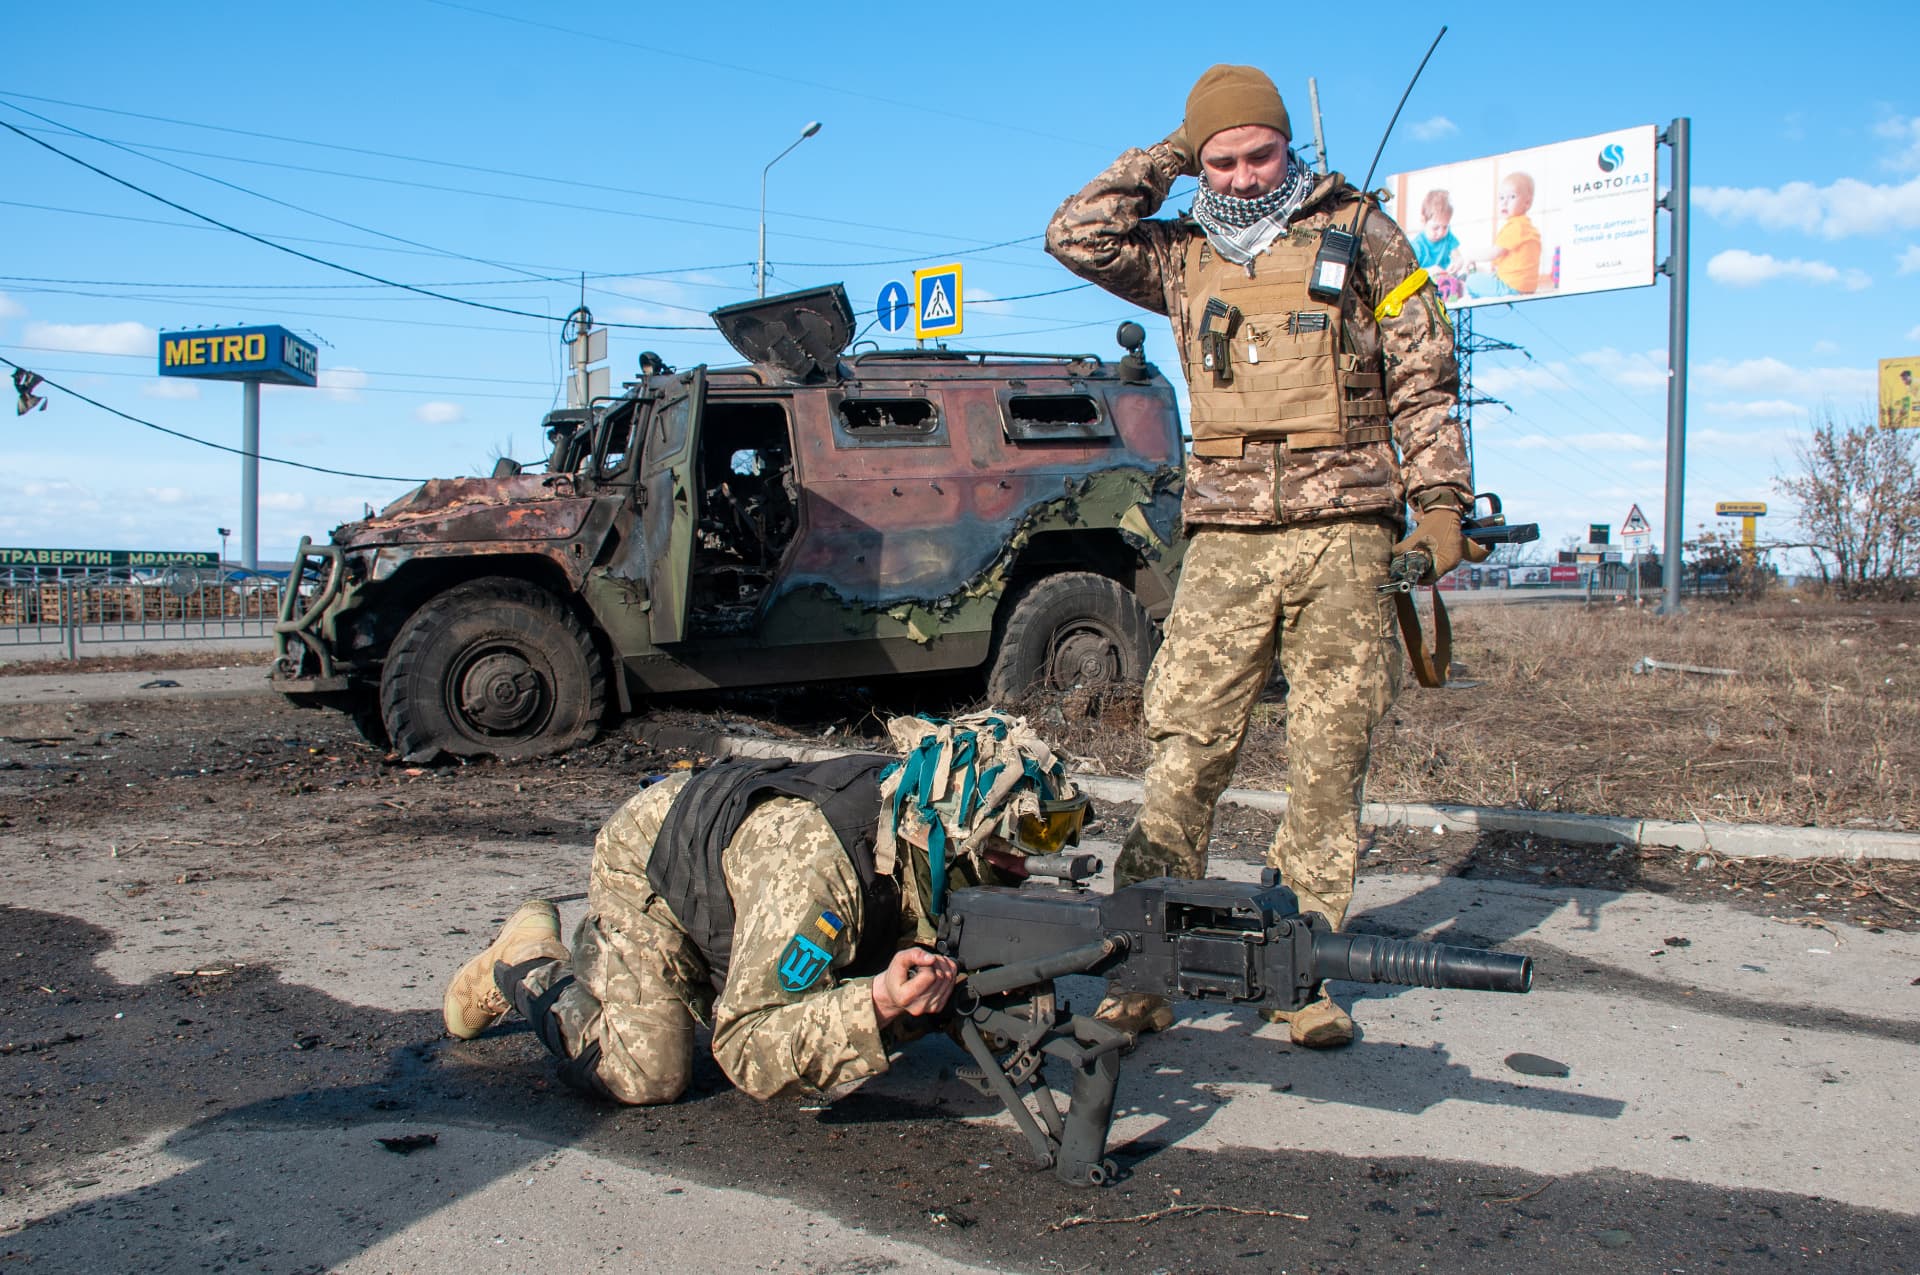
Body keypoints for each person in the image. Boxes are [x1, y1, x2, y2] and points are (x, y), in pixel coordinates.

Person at [1044, 64, 1470, 1048]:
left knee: (1329, 755)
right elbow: (1076, 234)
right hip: (1228, 534)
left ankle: (1303, 971)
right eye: (1219, 159)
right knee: (1185, 745)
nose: (1239, 175)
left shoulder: (1362, 232)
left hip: (1346, 529)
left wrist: (1441, 502)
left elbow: (1423, 375)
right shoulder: (1179, 253)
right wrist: (1166, 157)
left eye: (1257, 153)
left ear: (1290, 147)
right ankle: (1141, 964)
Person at [441, 711, 1090, 1103]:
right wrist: (880, 1003)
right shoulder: (821, 873)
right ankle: (528, 958)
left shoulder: (923, 826)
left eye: (1050, 836)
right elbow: (747, 1044)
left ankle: (661, 974)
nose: (1035, 861)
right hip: (657, 869)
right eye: (1017, 843)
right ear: (947, 833)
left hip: (741, 866)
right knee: (644, 1074)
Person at [1463, 172, 1541, 297]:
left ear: (1527, 203)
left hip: (1511, 286)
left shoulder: (1516, 226)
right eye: (1501, 198)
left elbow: (1494, 253)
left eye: (1512, 197)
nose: (1505, 203)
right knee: (1486, 275)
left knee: (1471, 281)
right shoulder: (1527, 226)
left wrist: (1471, 255)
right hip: (1527, 287)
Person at [1412, 188, 1464, 301]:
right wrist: (1429, 270)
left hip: (1447, 283)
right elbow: (1411, 274)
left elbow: (1458, 257)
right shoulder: (1417, 245)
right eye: (1436, 228)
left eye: (1445, 227)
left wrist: (1457, 264)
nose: (1441, 232)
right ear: (1423, 221)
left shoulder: (1447, 237)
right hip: (1426, 288)